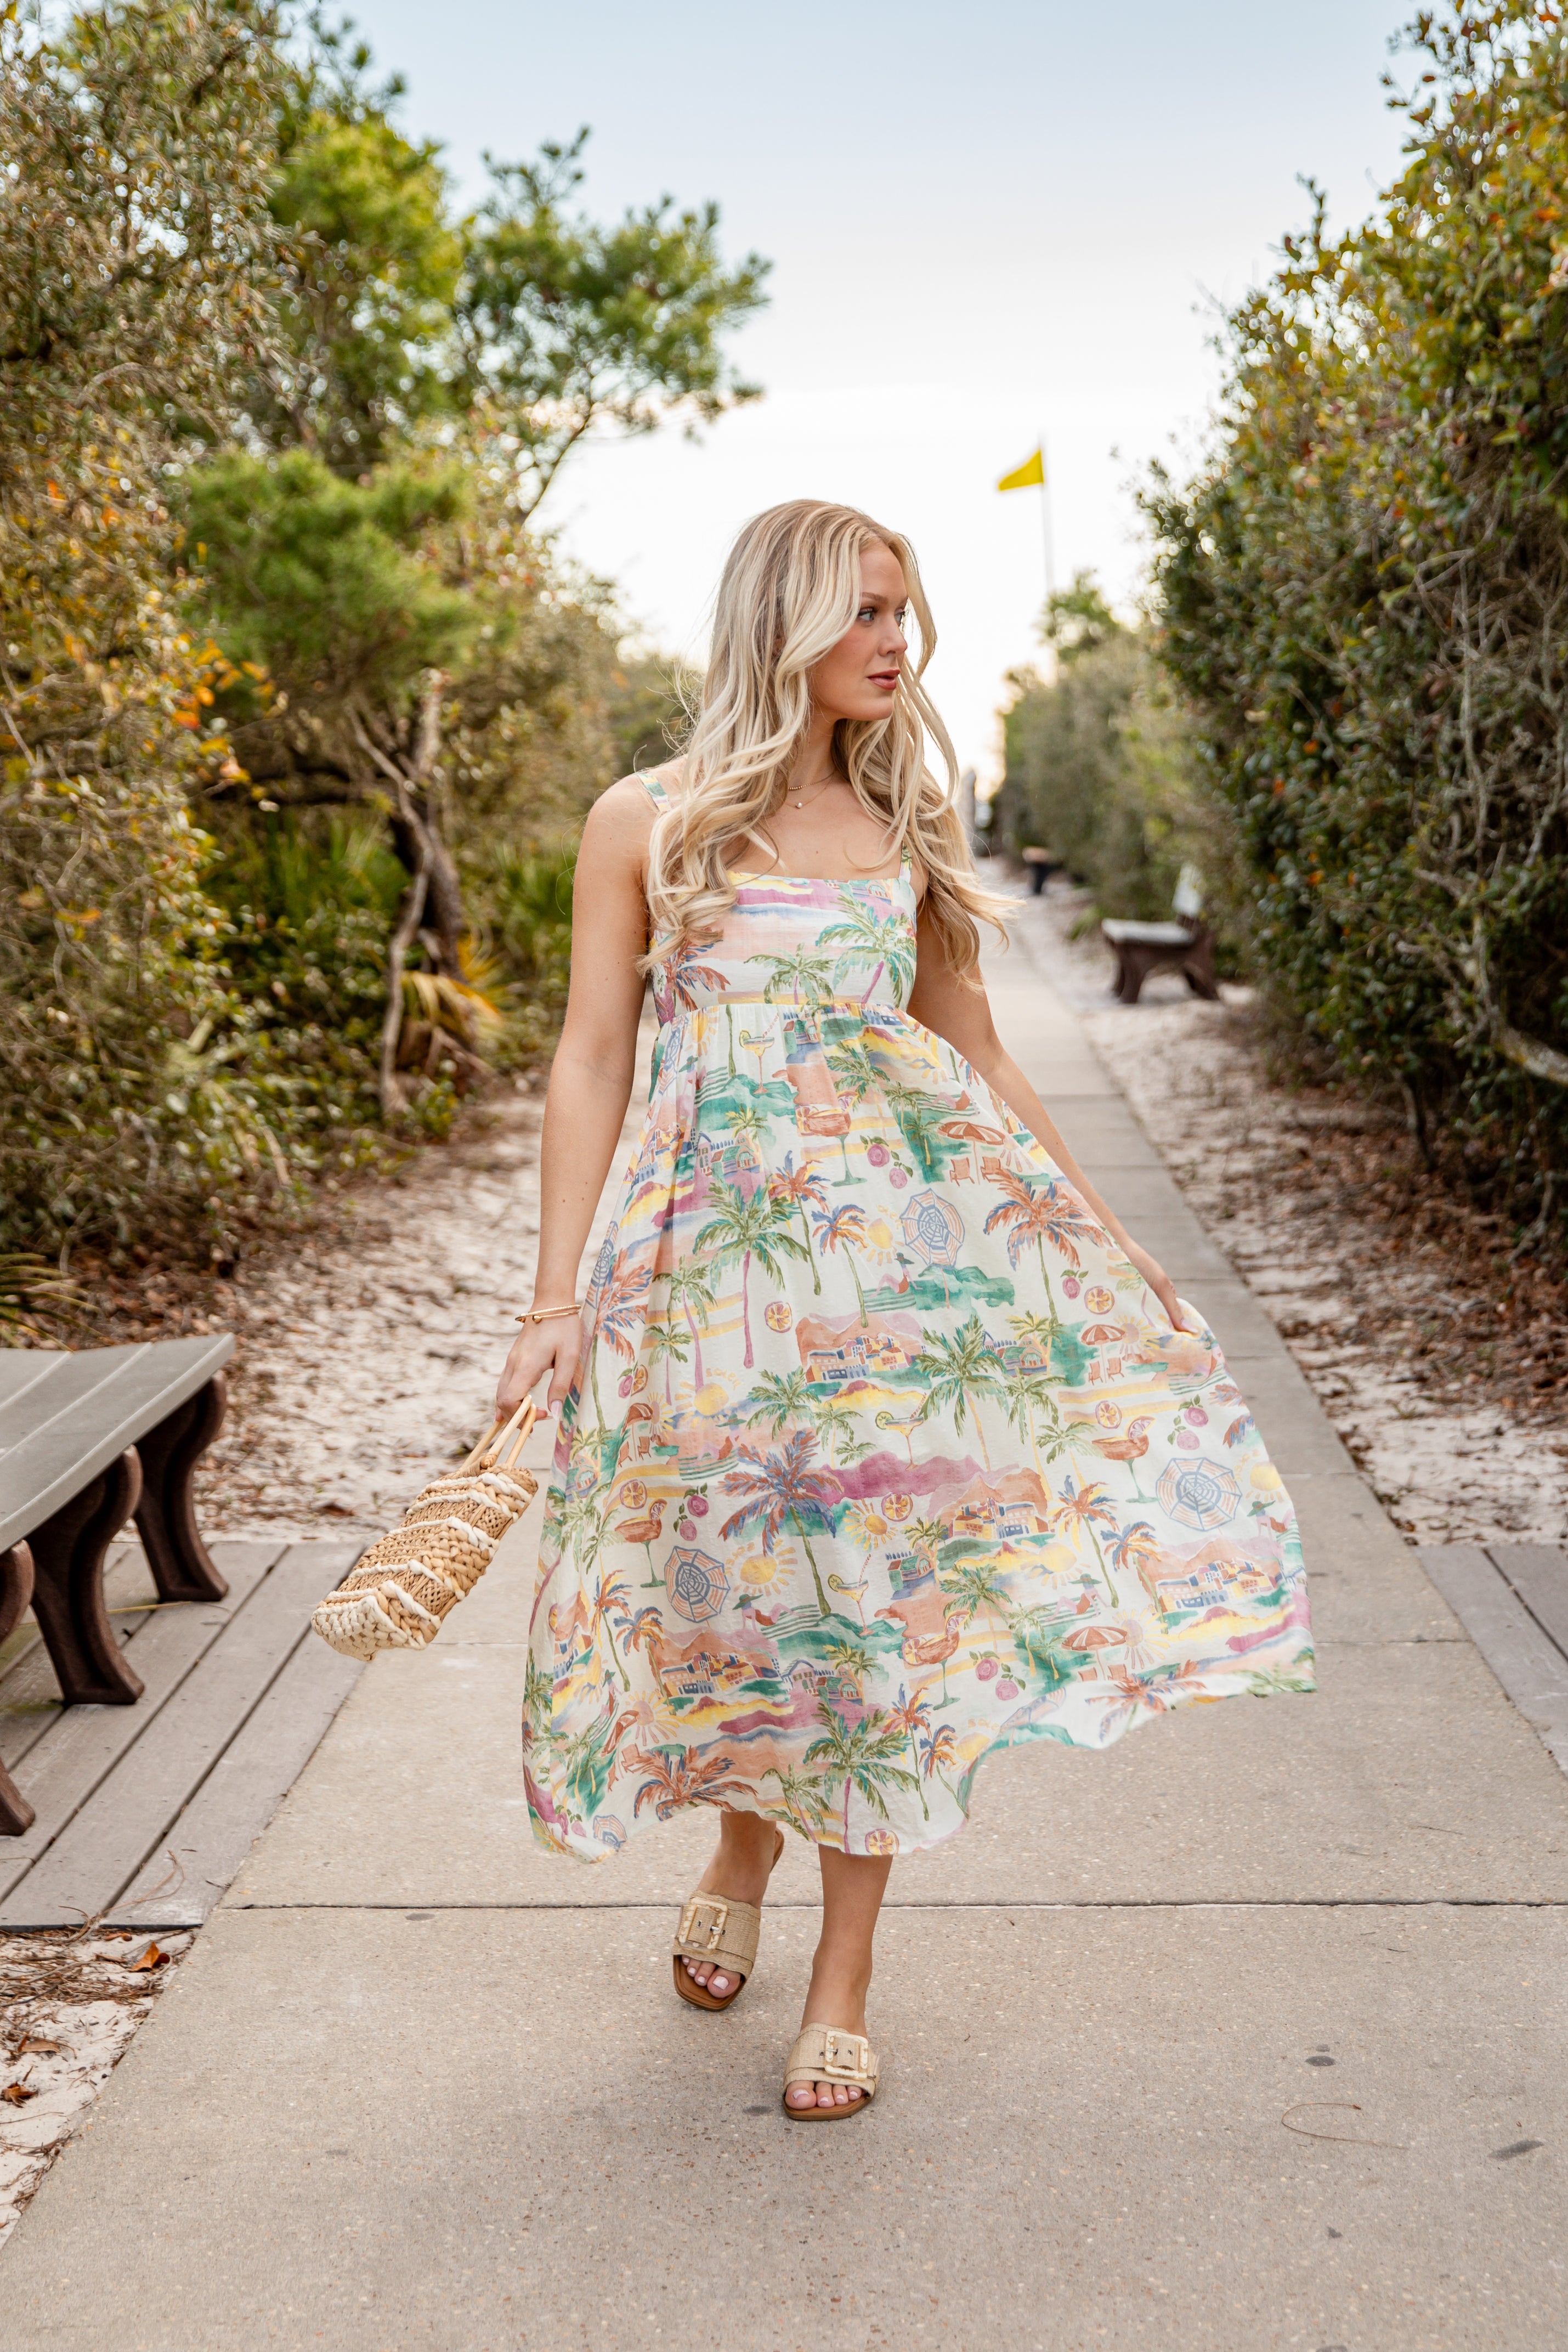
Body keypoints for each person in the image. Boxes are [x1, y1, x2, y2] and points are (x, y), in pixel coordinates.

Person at [495, 499, 1314, 2121]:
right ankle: (739, 1831)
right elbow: (592, 1053)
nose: (896, 642)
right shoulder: (644, 822)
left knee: (877, 1603)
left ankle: (845, 1975)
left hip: (897, 1275)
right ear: (784, 620)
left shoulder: (908, 820)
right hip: (700, 1281)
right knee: (730, 1584)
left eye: (905, 615)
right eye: (868, 610)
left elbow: (975, 1049)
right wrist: (552, 1293)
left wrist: (1101, 1231)